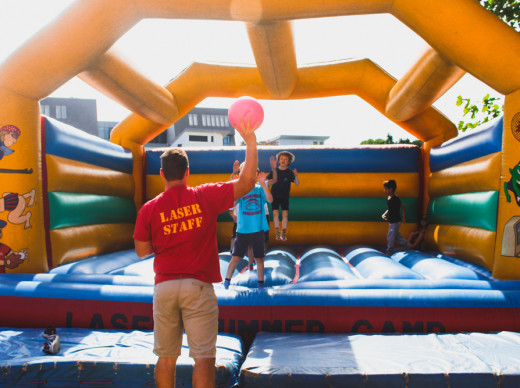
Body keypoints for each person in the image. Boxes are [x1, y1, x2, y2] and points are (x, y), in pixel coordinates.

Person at [133, 122, 258, 388]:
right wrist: (250, 140)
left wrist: (168, 237)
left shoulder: (149, 208)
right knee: (203, 359)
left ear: (161, 174)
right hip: (198, 287)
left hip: (164, 286)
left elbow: (142, 250)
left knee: (166, 359)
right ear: (187, 172)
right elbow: (247, 182)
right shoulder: (204, 196)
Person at [224, 164, 273, 290]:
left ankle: (260, 285)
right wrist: (233, 188)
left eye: (252, 173)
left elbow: (270, 200)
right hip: (243, 230)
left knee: (259, 259)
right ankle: (227, 282)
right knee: (235, 257)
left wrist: (263, 184)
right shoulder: (241, 190)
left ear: (256, 175)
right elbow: (231, 204)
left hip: (257, 230)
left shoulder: (259, 189)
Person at [229, 157, 277, 271]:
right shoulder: (240, 184)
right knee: (249, 243)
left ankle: (260, 260)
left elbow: (274, 180)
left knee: (262, 241)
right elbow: (229, 185)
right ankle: (251, 263)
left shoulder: (261, 184)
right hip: (246, 217)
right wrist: (234, 173)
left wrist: (274, 168)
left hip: (261, 215)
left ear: (256, 173)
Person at [267, 151, 299, 241]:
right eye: (281, 159)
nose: (283, 160)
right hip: (274, 196)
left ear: (288, 162)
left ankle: (283, 232)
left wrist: (296, 175)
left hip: (284, 196)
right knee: (275, 213)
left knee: (285, 214)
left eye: (285, 159)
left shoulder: (289, 172)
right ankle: (277, 232)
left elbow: (297, 183)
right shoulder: (274, 171)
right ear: (278, 161)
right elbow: (267, 181)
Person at [382, 179, 409, 255]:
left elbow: (403, 207)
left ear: (391, 189)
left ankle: (389, 250)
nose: (385, 190)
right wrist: (384, 214)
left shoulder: (395, 198)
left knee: (390, 236)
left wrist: (404, 217)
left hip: (396, 220)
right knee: (396, 236)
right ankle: (408, 245)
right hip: (393, 220)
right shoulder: (389, 198)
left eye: (386, 189)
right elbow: (389, 209)